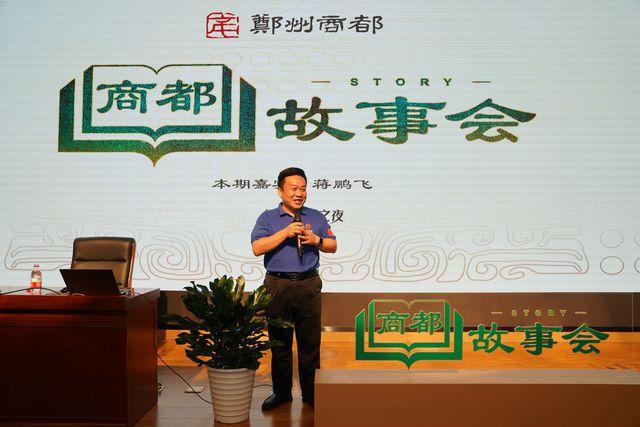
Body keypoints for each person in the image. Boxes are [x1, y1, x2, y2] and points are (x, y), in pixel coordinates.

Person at [251, 167, 337, 410]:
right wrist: (286, 232)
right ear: (280, 191)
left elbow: (332, 245)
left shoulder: (316, 216)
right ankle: (281, 393)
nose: (299, 193)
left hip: (309, 284)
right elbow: (257, 247)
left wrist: (316, 240)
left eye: (303, 189)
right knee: (280, 342)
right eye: (294, 188)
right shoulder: (268, 218)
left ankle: (311, 394)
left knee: (310, 343)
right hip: (277, 284)